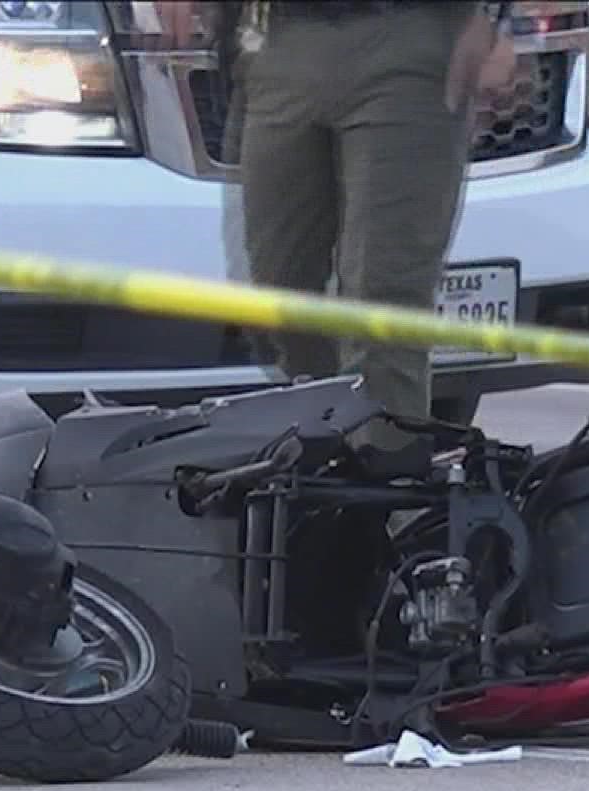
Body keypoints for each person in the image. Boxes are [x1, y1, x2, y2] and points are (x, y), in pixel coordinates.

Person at [158, 0, 516, 467]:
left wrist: (500, 21)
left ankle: (386, 495)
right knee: (278, 292)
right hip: (280, 41)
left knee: (384, 295)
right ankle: (332, 460)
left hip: (411, 42)